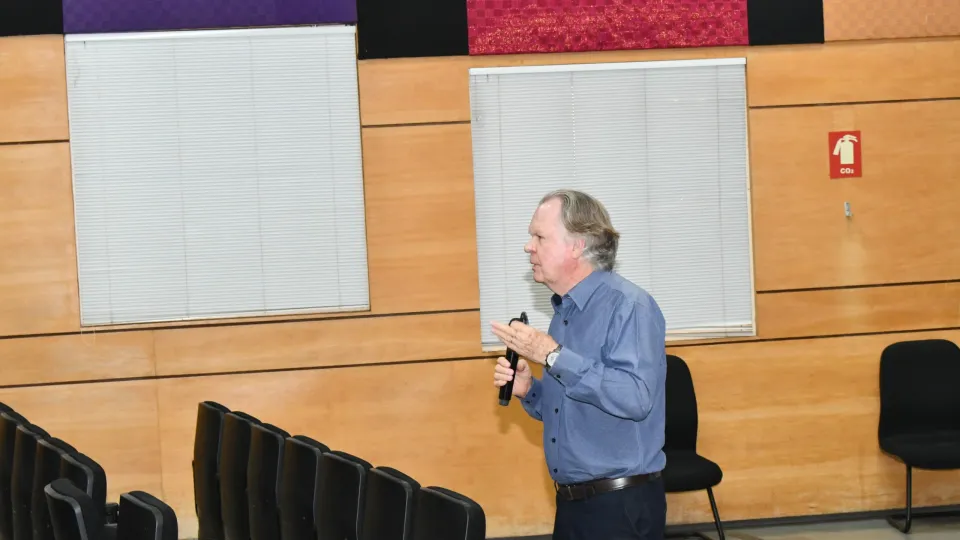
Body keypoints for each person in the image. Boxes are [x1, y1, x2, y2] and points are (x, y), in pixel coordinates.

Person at [491, 189, 668, 540]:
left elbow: (635, 398)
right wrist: (530, 391)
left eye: (539, 237)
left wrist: (553, 355)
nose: (528, 247)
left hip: (620, 508)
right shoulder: (565, 312)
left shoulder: (629, 306)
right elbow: (571, 408)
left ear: (577, 246)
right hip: (572, 504)